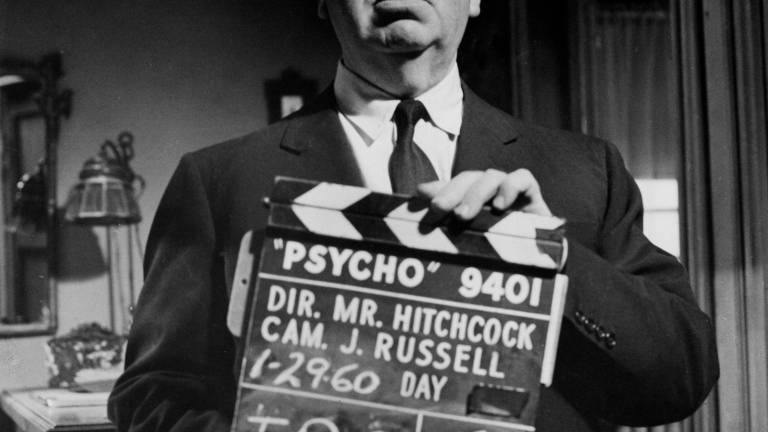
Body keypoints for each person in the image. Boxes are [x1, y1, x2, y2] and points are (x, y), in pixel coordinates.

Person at [108, 1, 719, 431]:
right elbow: (149, 397)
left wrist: (557, 261)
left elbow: (682, 378)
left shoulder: (587, 171)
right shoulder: (217, 181)